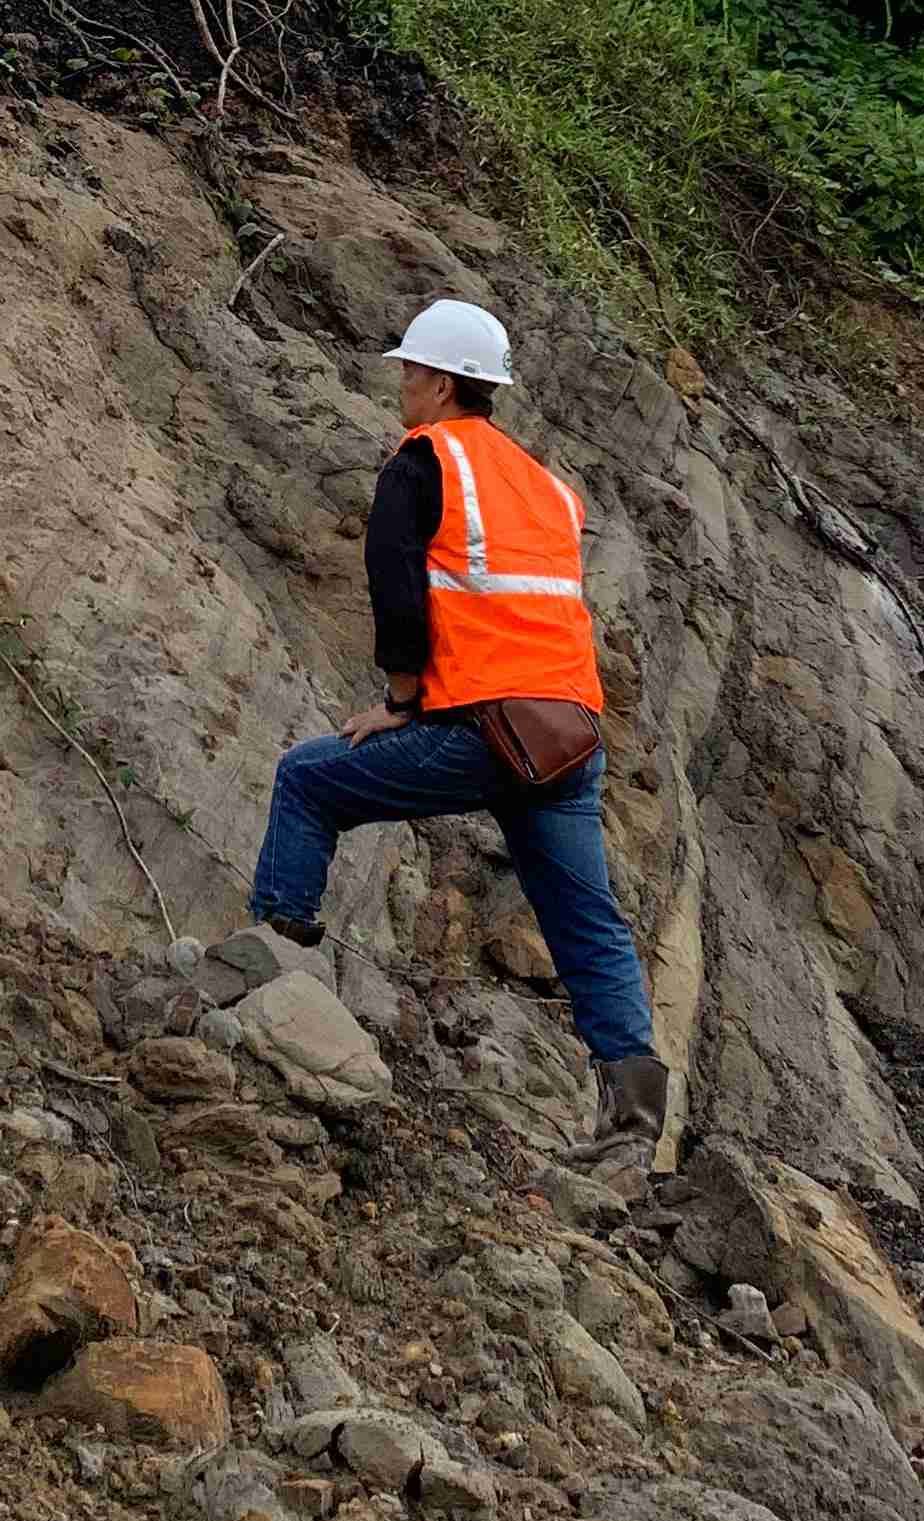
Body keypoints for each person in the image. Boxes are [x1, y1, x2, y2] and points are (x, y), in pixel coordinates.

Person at [249, 296, 671, 1148]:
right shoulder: (546, 485)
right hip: (569, 736)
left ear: (441, 383)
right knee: (588, 920)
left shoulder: (424, 460)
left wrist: (402, 703)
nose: (401, 384)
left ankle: (266, 975)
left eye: (409, 370)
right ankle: (632, 1125)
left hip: (483, 728)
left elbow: (396, 592)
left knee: (308, 781)